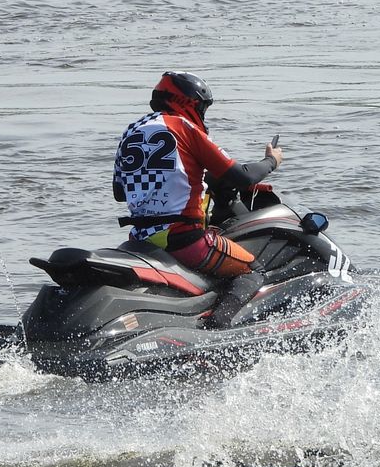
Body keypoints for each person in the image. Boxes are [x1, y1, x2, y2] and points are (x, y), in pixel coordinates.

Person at [112, 71, 283, 325]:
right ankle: (217, 328)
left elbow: (120, 191)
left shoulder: (132, 131)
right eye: (203, 108)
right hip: (185, 240)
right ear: (189, 102)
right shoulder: (184, 127)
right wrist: (271, 160)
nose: (203, 115)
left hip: (141, 239)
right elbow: (243, 177)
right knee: (253, 271)